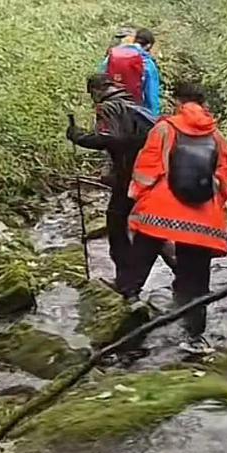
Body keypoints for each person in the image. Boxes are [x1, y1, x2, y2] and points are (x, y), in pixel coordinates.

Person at [126, 81, 227, 354]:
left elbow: (147, 168)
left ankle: (130, 297)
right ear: (203, 103)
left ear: (178, 102)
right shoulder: (217, 136)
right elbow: (223, 178)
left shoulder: (164, 128)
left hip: (162, 209)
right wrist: (214, 205)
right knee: (197, 277)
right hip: (202, 219)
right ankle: (195, 335)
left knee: (143, 249)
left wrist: (137, 197)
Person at [67, 74, 155, 298]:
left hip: (129, 175)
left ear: (95, 91)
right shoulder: (133, 103)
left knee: (116, 224)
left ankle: (125, 283)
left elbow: (111, 139)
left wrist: (78, 137)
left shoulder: (108, 107)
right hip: (151, 174)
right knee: (151, 228)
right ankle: (179, 275)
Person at [102, 26, 161, 117]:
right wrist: (154, 118)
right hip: (134, 112)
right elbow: (152, 97)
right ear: (148, 45)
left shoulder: (113, 55)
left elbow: (100, 77)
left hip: (110, 108)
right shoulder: (147, 63)